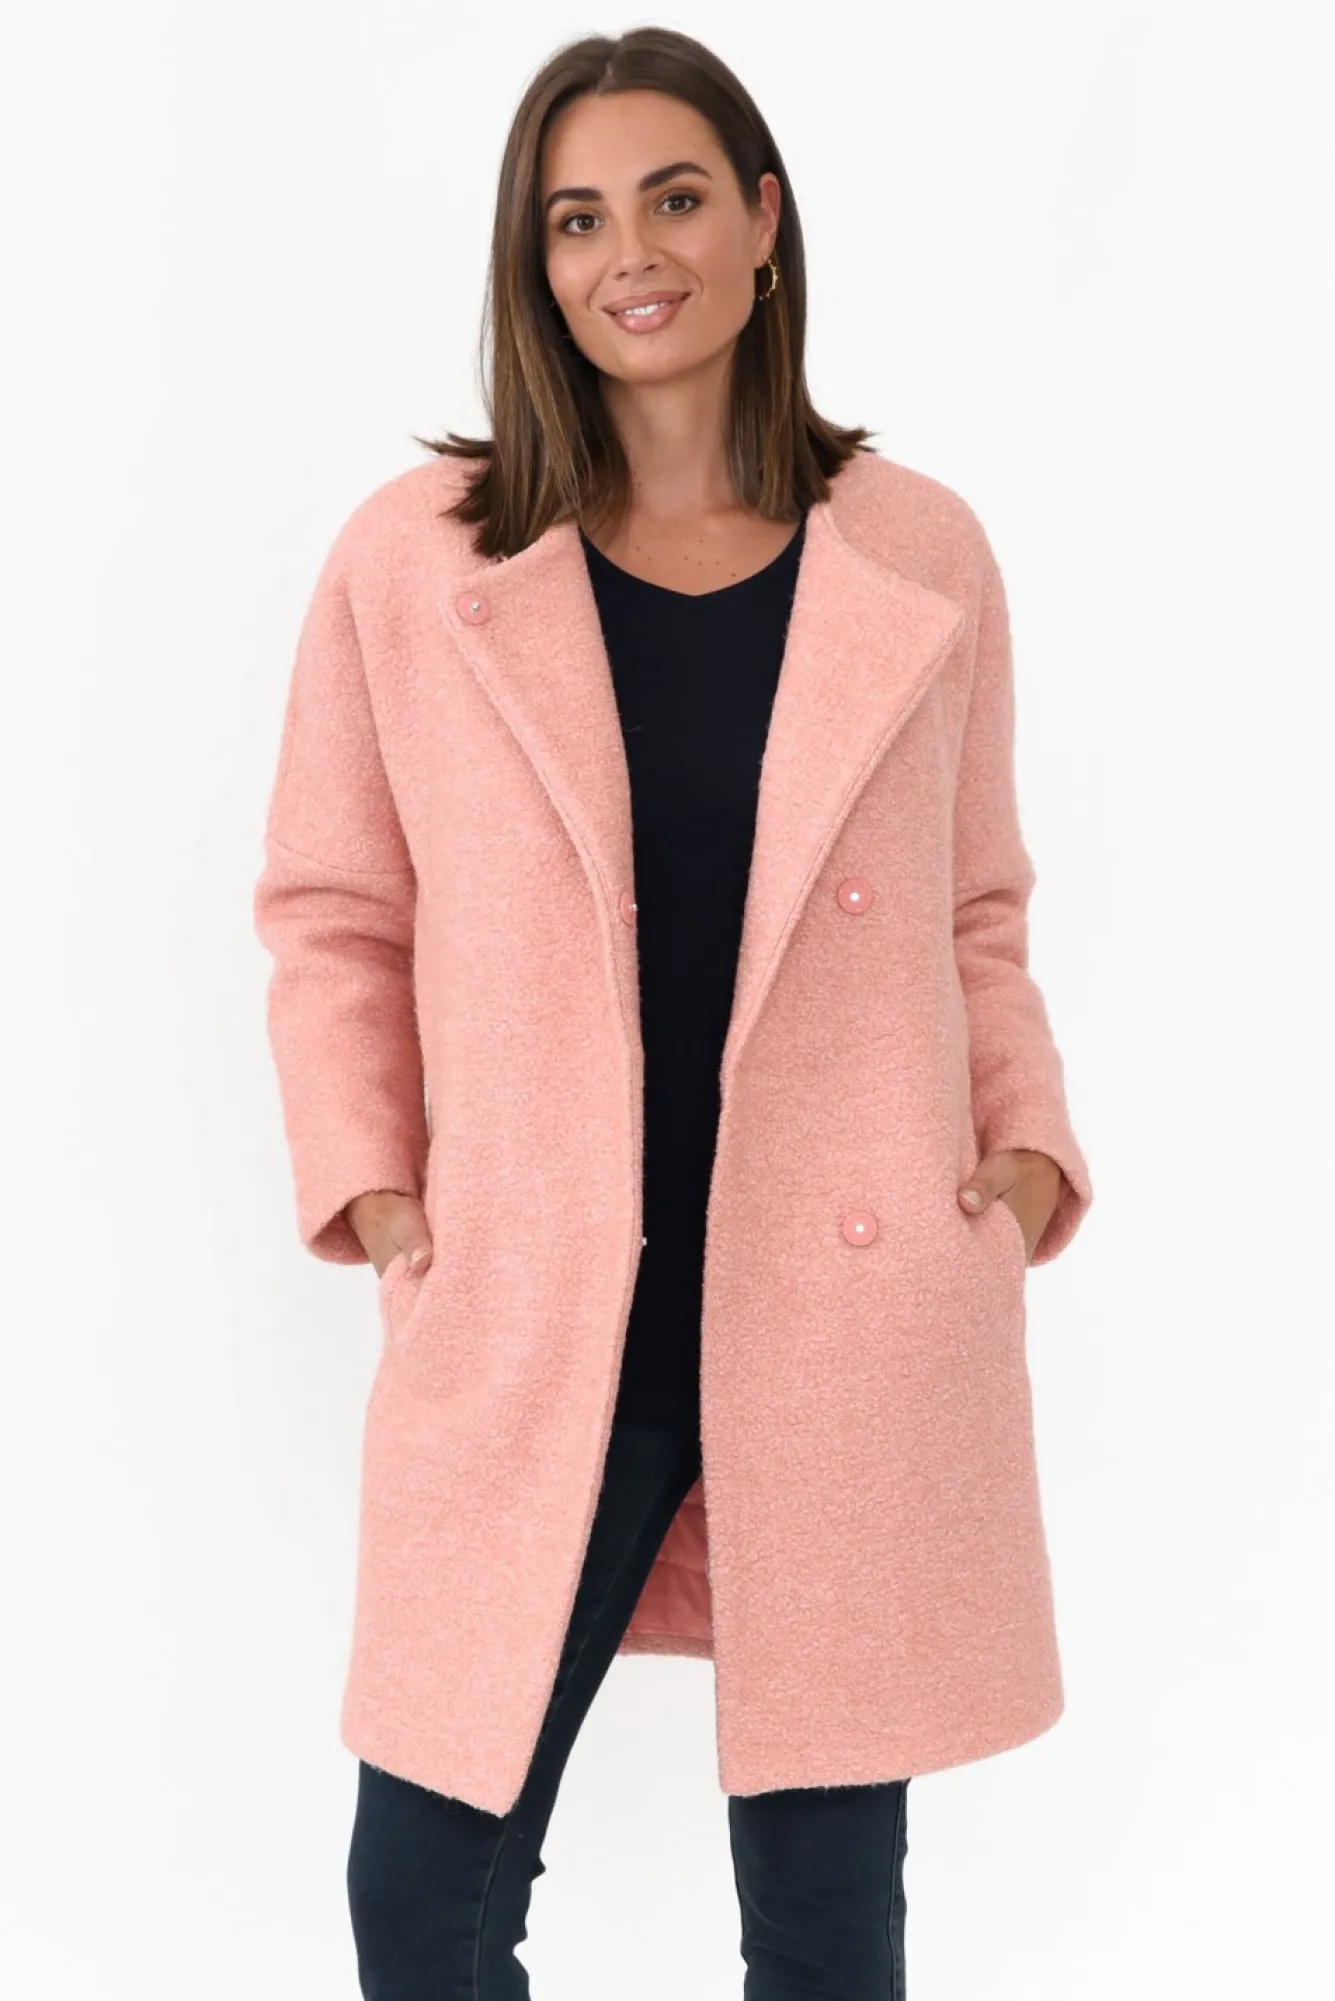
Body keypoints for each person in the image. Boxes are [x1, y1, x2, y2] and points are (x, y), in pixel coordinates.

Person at [252, 25, 1093, 2000]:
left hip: (844, 1306)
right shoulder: (419, 561)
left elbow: (977, 904)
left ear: (763, 223)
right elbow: (334, 910)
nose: (628, 253)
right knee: (423, 1892)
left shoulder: (918, 551)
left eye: (675, 196)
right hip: (544, 1296)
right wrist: (381, 1193)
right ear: (531, 263)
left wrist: (1022, 1153)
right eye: (575, 219)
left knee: (824, 1921)